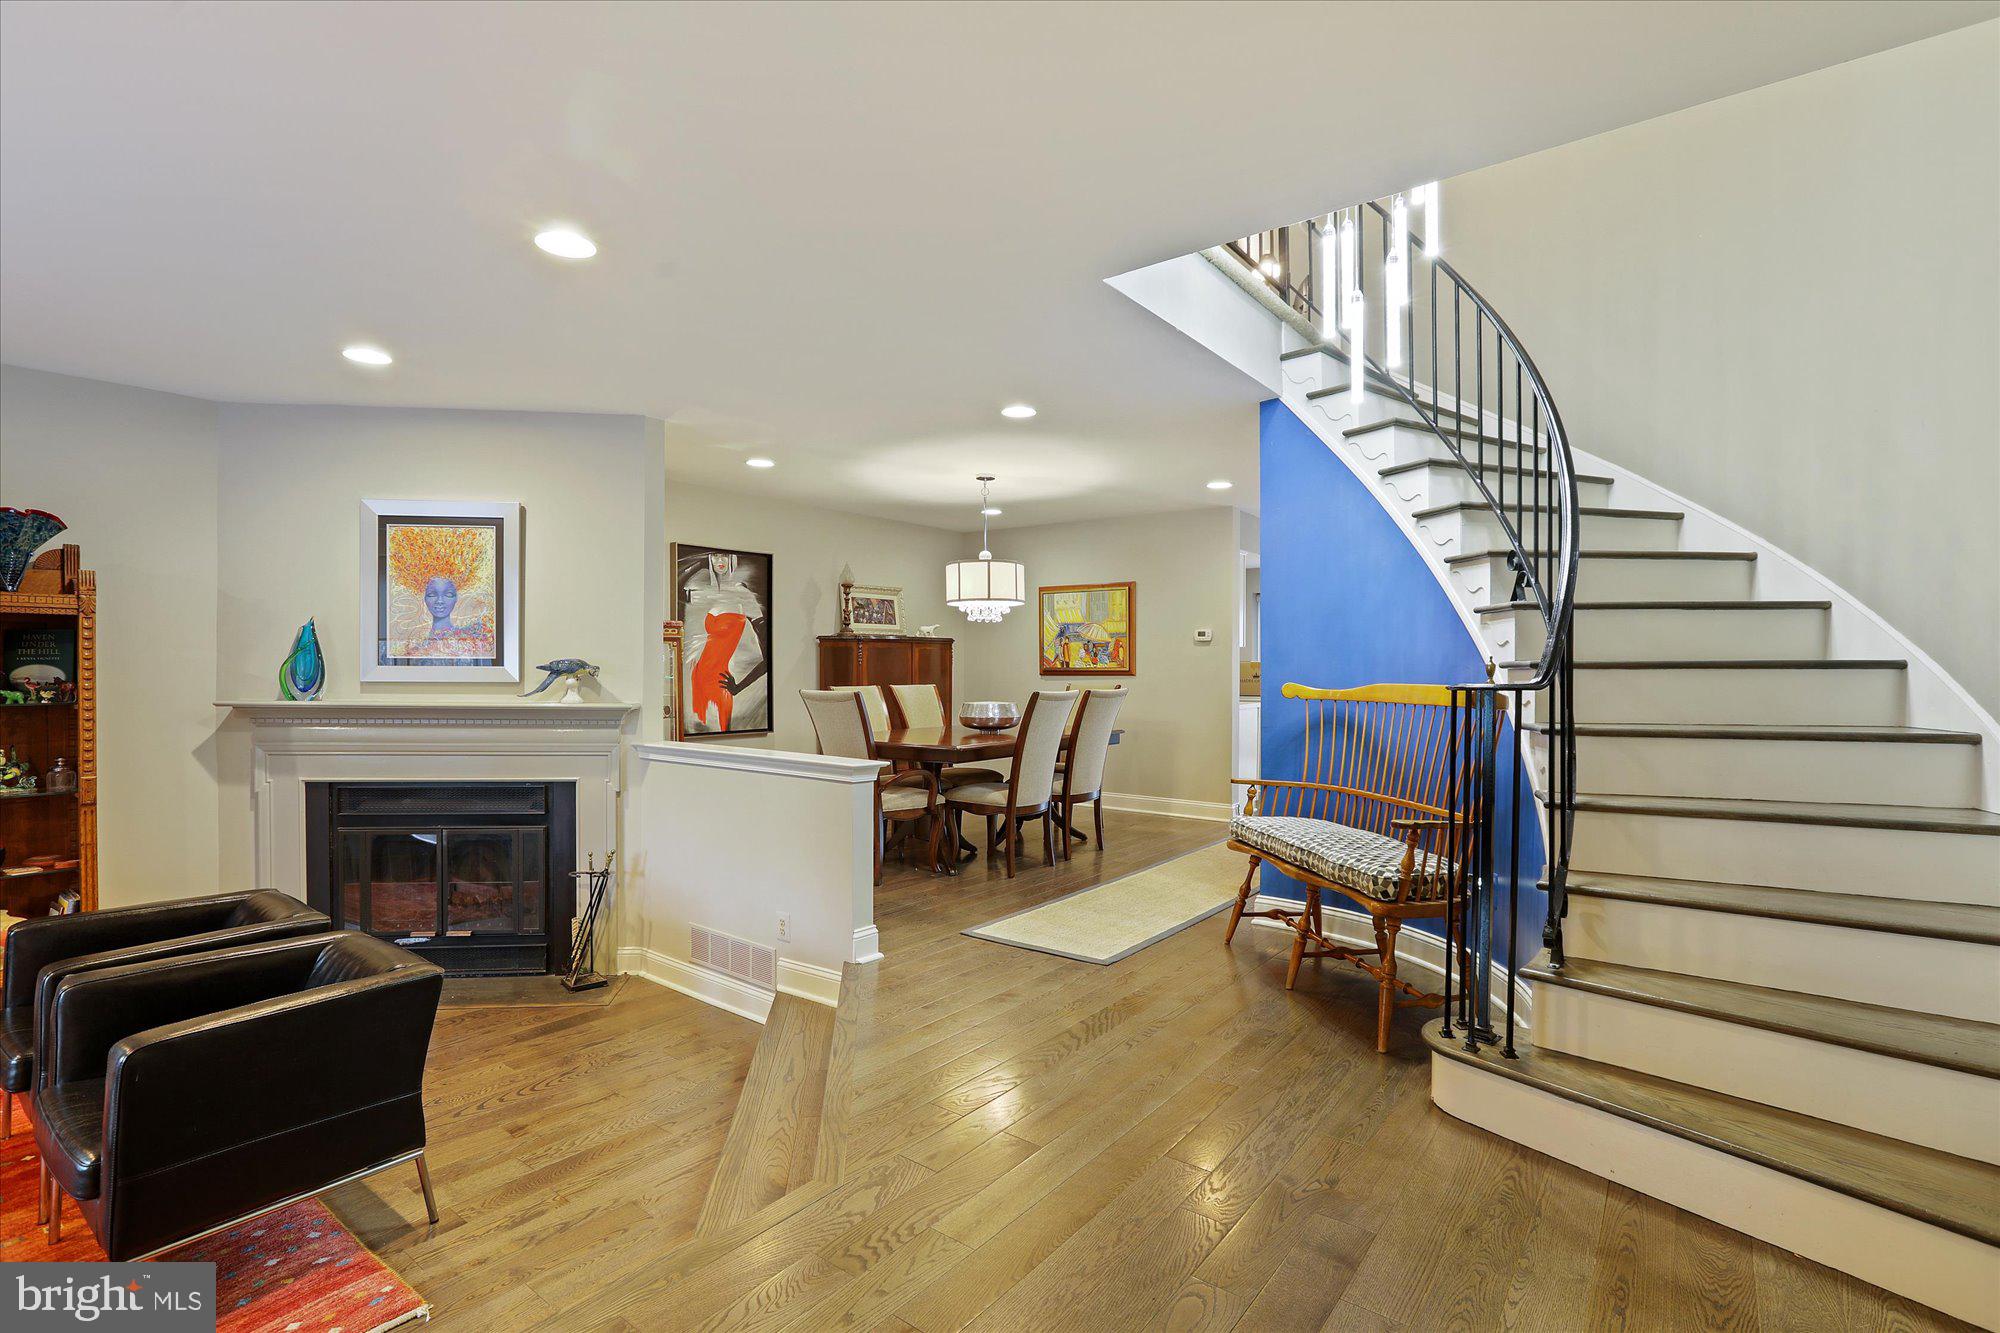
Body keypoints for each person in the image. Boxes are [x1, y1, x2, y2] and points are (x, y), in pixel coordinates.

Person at [682, 552, 769, 731]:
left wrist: (739, 686)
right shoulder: (703, 592)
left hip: (720, 684)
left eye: (724, 556)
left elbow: (769, 658)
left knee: (721, 742)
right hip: (696, 680)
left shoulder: (743, 595)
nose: (719, 561)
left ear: (733, 559)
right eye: (714, 556)